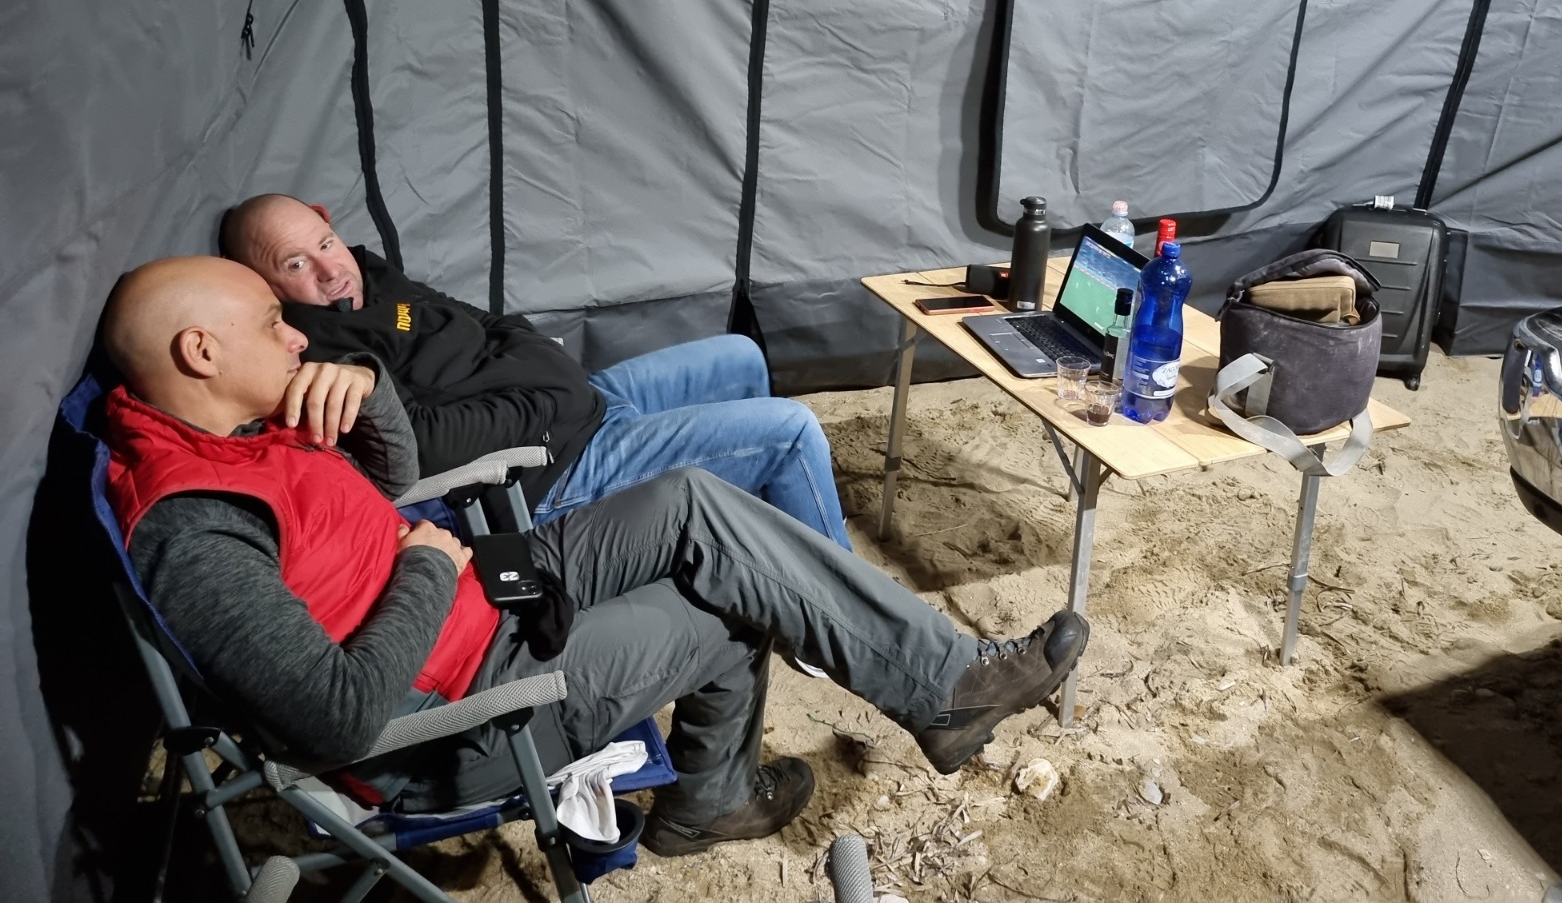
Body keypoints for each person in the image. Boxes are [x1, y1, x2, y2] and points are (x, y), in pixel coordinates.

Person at [99, 256, 1090, 855]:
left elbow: (387, 479)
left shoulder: (234, 428)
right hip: (455, 709)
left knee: (697, 503)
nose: (295, 338)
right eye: (273, 324)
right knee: (733, 601)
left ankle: (942, 680)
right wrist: (429, 566)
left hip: (483, 591)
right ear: (199, 352)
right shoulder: (195, 528)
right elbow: (337, 718)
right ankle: (712, 801)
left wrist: (369, 389)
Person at [218, 194, 852, 548]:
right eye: (295, 264)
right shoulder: (315, 350)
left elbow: (481, 320)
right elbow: (422, 445)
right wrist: (544, 399)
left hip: (578, 400)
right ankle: (828, 601)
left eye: (324, 244)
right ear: (259, 284)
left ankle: (751, 545)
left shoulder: (371, 277)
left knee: (740, 356)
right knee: (790, 430)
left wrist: (535, 365)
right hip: (554, 465)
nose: (330, 271)